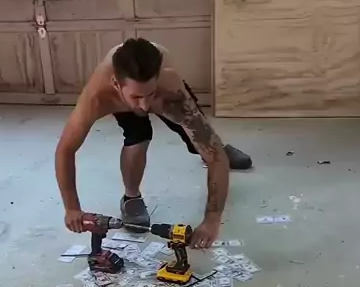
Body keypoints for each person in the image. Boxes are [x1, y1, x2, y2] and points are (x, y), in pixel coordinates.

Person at [55, 38, 252, 249]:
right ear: (116, 84)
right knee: (138, 135)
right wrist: (72, 208)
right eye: (136, 97)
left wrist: (212, 220)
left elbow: (215, 158)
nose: (145, 105)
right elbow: (65, 150)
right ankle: (131, 197)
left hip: (162, 91)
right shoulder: (96, 96)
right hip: (121, 97)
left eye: (150, 95)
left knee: (201, 142)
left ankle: (222, 147)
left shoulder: (170, 88)